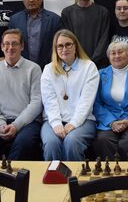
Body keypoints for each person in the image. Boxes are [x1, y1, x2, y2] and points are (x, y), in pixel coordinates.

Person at [0, 29, 43, 160]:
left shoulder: (34, 68)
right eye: (6, 44)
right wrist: (0, 124)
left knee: (24, 144)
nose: (10, 47)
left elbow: (37, 102)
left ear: (22, 46)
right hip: (2, 121)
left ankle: (12, 173)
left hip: (28, 122)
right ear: (1, 46)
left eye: (14, 43)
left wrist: (16, 125)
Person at [40, 30, 99, 161]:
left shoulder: (89, 67)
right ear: (55, 49)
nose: (64, 49)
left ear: (75, 46)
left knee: (72, 141)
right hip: (52, 120)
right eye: (60, 46)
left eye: (68, 44)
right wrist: (56, 124)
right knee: (51, 143)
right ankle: (54, 174)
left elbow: (86, 101)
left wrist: (74, 123)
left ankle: (74, 175)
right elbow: (49, 101)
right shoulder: (48, 69)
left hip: (83, 120)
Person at [9, 0, 62, 69]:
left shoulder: (55, 20)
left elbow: (59, 47)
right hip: (21, 69)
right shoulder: (14, 20)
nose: (31, 0)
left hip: (49, 68)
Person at [61, 0, 110, 68]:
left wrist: (92, 61)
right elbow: (68, 40)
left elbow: (104, 39)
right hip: (75, 64)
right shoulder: (67, 13)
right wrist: (78, 60)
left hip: (99, 65)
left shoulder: (103, 12)